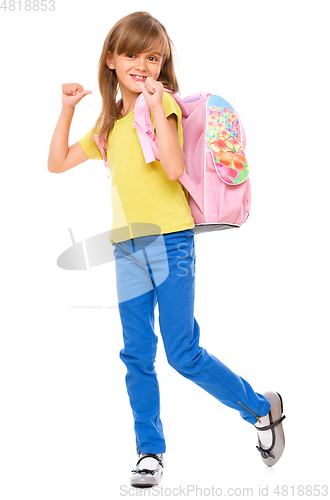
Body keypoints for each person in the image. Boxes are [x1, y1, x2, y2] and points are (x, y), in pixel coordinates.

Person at [48, 11, 286, 489]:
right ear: (111, 60)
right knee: (136, 354)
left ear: (162, 64)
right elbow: (56, 164)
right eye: (132, 54)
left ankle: (262, 409)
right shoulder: (107, 126)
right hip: (127, 248)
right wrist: (68, 107)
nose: (143, 64)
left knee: (182, 353)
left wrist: (158, 108)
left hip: (172, 241)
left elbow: (175, 167)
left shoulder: (166, 105)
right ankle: (149, 452)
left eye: (153, 57)